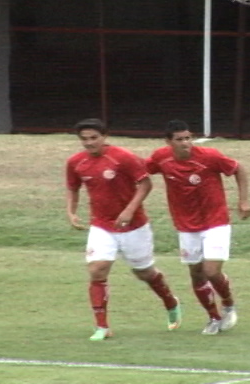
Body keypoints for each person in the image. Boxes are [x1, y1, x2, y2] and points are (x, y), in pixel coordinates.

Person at [65, 118, 182, 341]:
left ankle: (170, 302)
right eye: (84, 139)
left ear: (105, 137)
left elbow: (145, 184)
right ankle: (102, 326)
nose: (89, 143)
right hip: (101, 225)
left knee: (145, 273)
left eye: (94, 138)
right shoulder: (76, 162)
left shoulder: (123, 158)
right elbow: (72, 187)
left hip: (134, 226)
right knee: (97, 270)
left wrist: (129, 210)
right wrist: (71, 212)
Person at [146, 119, 250, 335]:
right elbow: (141, 170)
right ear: (169, 142)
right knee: (196, 273)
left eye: (188, 138)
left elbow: (238, 169)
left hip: (216, 221)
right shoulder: (161, 158)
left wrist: (243, 201)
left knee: (211, 271)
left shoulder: (210, 157)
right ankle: (213, 317)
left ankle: (228, 303)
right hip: (186, 226)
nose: (186, 143)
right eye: (180, 140)